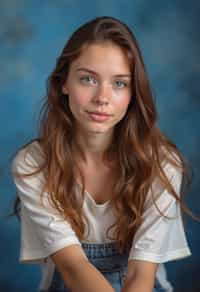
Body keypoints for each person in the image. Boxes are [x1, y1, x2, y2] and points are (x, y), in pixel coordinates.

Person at [12, 16, 192, 292]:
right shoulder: (33, 165)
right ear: (64, 83)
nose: (102, 98)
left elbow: (141, 276)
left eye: (119, 83)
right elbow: (73, 269)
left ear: (133, 92)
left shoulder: (161, 164)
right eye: (87, 79)